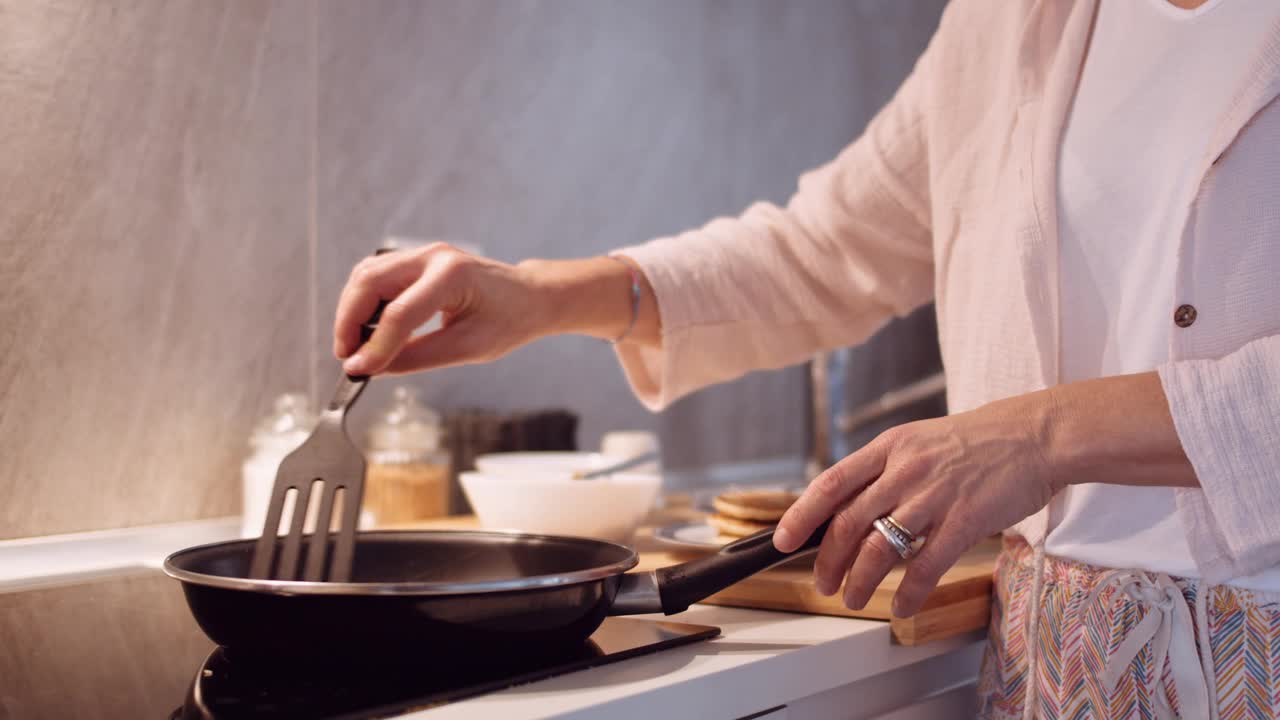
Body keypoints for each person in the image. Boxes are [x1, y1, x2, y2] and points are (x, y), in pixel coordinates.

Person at [333, 0, 1280, 717]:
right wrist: (540, 295)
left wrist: (1035, 434)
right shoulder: (1011, 18)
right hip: (1060, 660)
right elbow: (825, 249)